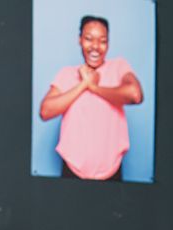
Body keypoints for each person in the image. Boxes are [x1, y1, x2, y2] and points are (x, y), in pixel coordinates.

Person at [38, 14, 143, 180]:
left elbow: (135, 94)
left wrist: (94, 87)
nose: (95, 46)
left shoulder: (118, 67)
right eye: (88, 39)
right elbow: (45, 111)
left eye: (102, 40)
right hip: (72, 170)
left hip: (112, 172)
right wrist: (84, 85)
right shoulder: (67, 73)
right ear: (79, 40)